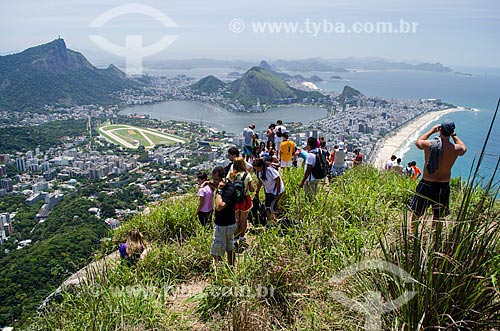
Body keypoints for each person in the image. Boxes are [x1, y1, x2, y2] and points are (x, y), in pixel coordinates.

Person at [409, 119, 466, 229]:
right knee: (438, 216)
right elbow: (463, 147)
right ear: (451, 132)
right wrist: (454, 135)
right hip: (443, 186)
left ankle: (412, 234)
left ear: (440, 130)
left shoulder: (429, 144)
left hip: (426, 183)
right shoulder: (455, 149)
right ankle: (434, 238)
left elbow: (418, 142)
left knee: (417, 212)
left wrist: (431, 131)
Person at [210, 166, 237, 265]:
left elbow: (219, 206)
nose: (215, 182)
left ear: (223, 178)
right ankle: (231, 266)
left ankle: (218, 272)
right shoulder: (228, 185)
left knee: (215, 252)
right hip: (229, 222)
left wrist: (219, 191)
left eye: (217, 179)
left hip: (223, 225)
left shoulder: (228, 189)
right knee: (229, 247)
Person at [227, 157, 255, 244]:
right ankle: (242, 237)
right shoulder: (247, 175)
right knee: (243, 219)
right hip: (245, 199)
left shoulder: (231, 175)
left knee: (235, 219)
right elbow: (252, 189)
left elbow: (227, 187)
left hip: (233, 199)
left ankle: (235, 238)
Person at [253, 158, 284, 222]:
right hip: (269, 191)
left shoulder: (269, 170)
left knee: (271, 207)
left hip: (276, 191)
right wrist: (257, 192)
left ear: (261, 166)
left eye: (257, 168)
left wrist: (277, 193)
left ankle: (275, 221)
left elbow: (278, 180)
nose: (257, 170)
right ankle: (270, 220)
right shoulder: (260, 172)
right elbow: (260, 182)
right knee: (267, 206)